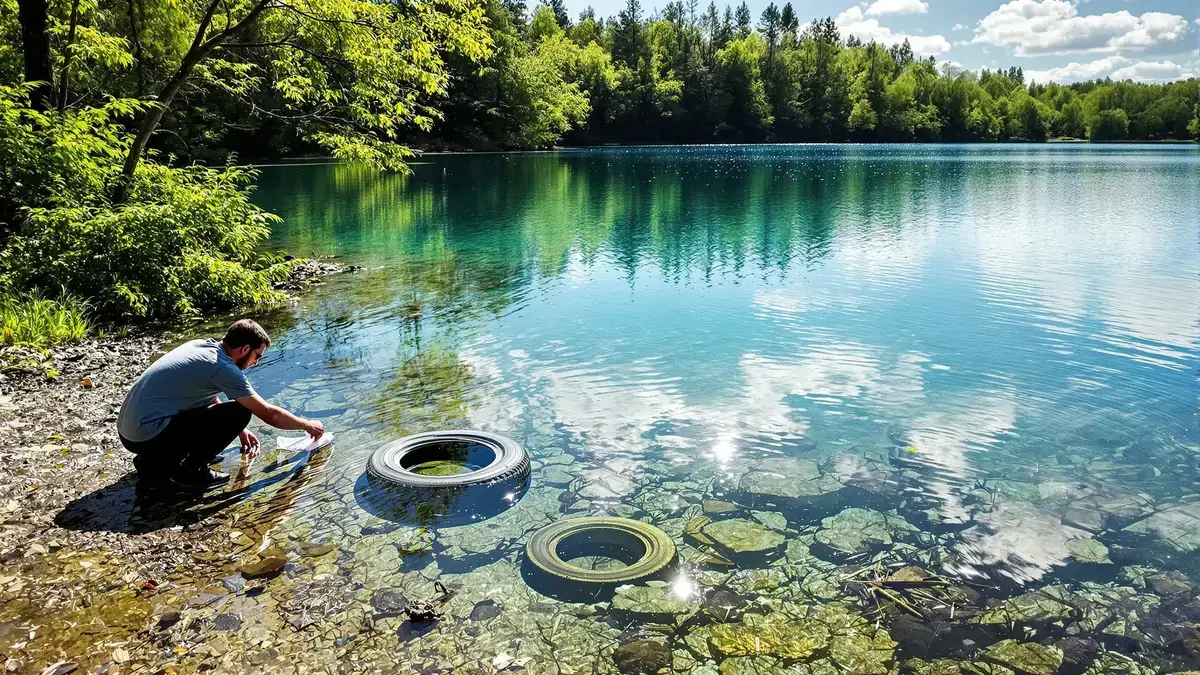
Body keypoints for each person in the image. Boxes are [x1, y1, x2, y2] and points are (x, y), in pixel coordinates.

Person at [117, 319, 325, 490]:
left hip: (130, 432)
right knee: (240, 412)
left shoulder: (201, 346)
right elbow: (270, 414)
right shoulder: (223, 368)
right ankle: (191, 472)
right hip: (146, 435)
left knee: (234, 416)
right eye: (257, 356)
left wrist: (240, 432)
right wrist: (307, 425)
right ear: (245, 348)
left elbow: (202, 393)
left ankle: (154, 463)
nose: (256, 363)